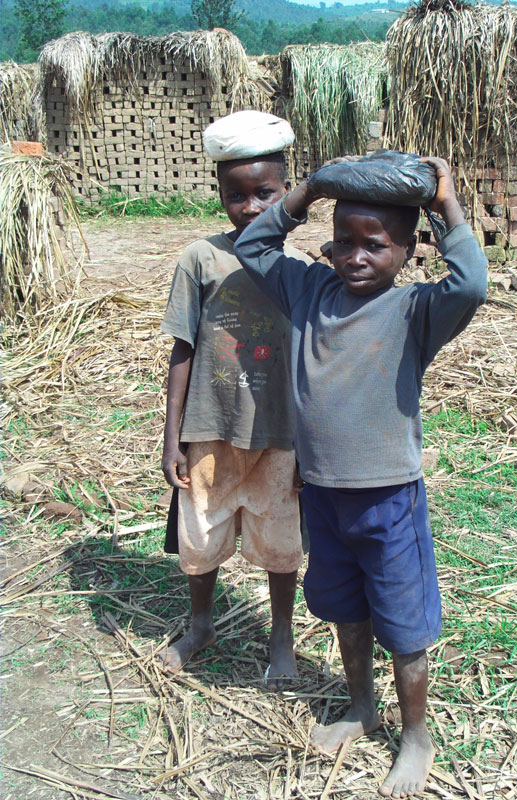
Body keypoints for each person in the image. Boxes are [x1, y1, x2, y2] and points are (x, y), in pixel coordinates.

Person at [234, 156, 487, 796]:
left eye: (375, 244)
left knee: (402, 625)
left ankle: (416, 736)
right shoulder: (310, 291)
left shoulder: (416, 310)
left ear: (407, 250)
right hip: (322, 495)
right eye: (344, 240)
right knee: (346, 611)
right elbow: (255, 243)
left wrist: (445, 203)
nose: (355, 256)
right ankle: (358, 706)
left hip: (389, 499)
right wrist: (310, 190)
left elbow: (473, 284)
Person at [160, 111, 313, 689]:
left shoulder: (301, 269)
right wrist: (171, 437)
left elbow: (314, 365)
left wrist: (312, 448)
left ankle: (280, 637)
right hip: (210, 427)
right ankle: (202, 624)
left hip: (279, 433)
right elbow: (182, 350)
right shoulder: (201, 259)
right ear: (220, 194)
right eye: (236, 195)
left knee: (280, 541)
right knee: (200, 539)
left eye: (265, 194)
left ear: (286, 192)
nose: (250, 207)